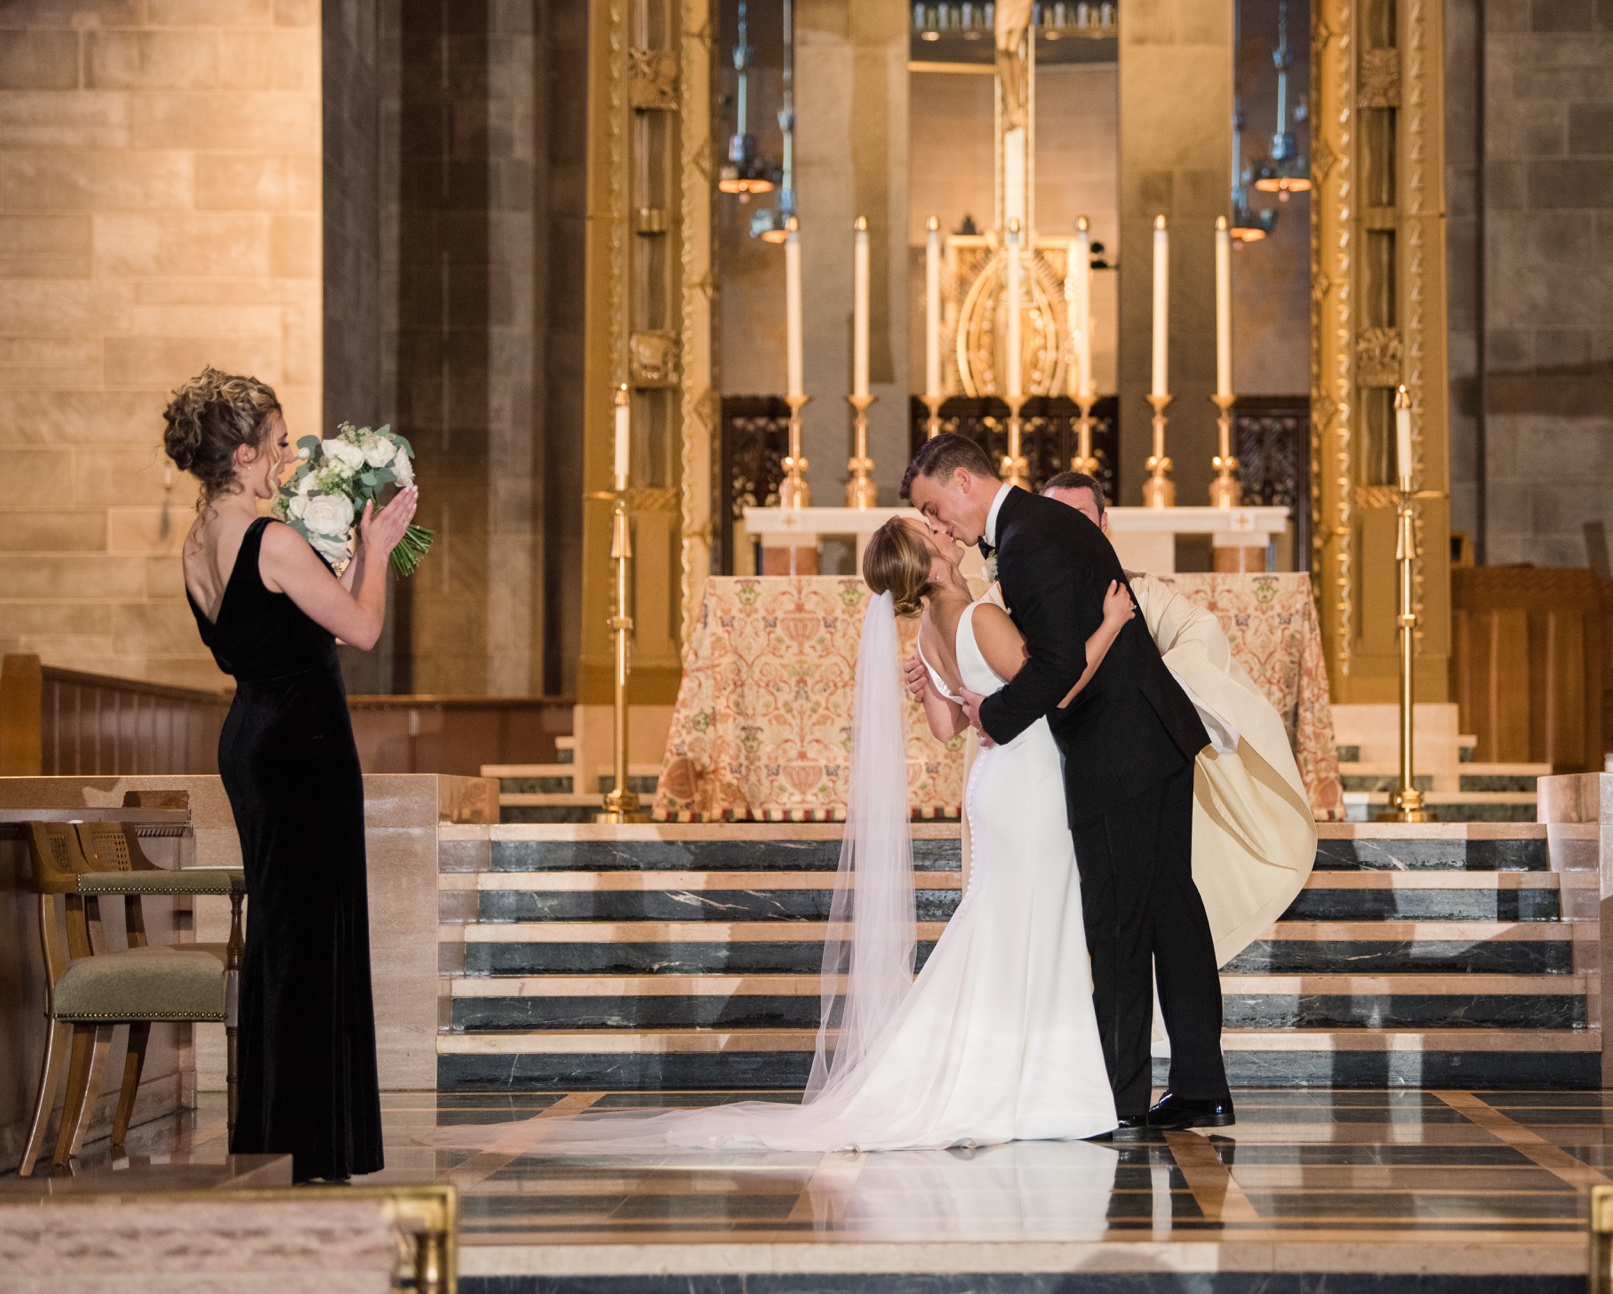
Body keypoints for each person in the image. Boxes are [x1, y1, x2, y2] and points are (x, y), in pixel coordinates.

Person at [431, 515, 1137, 1152]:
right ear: (925, 561)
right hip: (1027, 784)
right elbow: (1059, 687)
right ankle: (1040, 1086)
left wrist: (933, 691)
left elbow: (952, 725)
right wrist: (1107, 626)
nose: (943, 530)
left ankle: (1024, 1082)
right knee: (1032, 925)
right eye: (930, 532)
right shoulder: (978, 616)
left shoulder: (928, 627)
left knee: (1010, 926)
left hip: (994, 783)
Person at [905, 435, 1232, 1131]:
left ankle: (1117, 1098)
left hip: (1119, 751)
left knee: (1119, 925)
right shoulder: (1036, 529)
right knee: (1173, 914)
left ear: (963, 480)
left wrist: (990, 713)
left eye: (937, 505)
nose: (941, 524)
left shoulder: (1026, 538)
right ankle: (1202, 1082)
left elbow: (1051, 668)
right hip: (1154, 737)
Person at [165, 369, 418, 1183]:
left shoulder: (199, 540)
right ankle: (307, 1140)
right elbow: (366, 629)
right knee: (309, 937)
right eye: (275, 442)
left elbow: (312, 634)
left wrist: (344, 560)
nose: (284, 455)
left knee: (292, 936)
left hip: (254, 736)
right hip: (301, 745)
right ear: (240, 453)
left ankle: (285, 1132)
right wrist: (376, 551)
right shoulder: (270, 538)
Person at [1038, 471, 1316, 965]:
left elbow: (1198, 631)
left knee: (1165, 911)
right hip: (1058, 784)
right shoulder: (1025, 602)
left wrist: (1146, 686)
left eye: (1079, 520)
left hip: (1140, 781)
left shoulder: (1140, 594)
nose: (1068, 533)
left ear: (1104, 523)